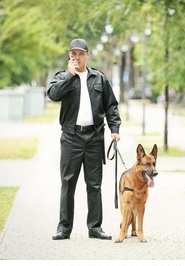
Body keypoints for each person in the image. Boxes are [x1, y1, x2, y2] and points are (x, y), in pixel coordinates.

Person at [47, 38, 121, 240]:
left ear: (87, 55)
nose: (77, 57)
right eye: (73, 53)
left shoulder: (99, 79)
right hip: (71, 137)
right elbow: (53, 95)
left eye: (80, 53)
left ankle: (95, 228)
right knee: (68, 183)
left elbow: (111, 106)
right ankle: (64, 228)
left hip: (95, 137)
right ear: (69, 55)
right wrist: (70, 76)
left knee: (94, 184)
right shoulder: (62, 77)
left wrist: (115, 128)